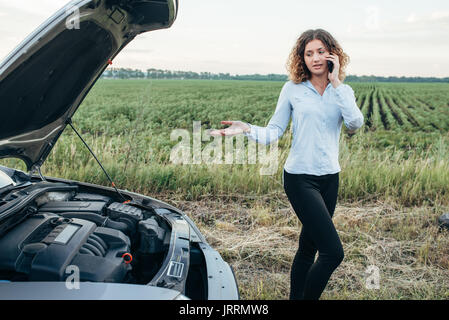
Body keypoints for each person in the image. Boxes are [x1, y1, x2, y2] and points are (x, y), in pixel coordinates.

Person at [209, 29, 364, 300]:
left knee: (308, 247)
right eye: (308, 53)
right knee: (333, 253)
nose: (315, 58)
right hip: (299, 179)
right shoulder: (292, 89)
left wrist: (336, 82)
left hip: (330, 178)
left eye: (320, 51)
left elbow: (354, 124)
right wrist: (246, 128)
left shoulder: (343, 91)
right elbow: (274, 130)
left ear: (332, 54)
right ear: (301, 58)